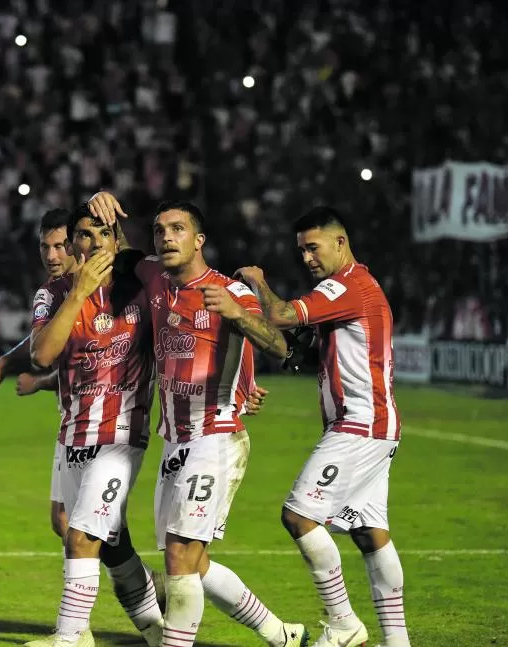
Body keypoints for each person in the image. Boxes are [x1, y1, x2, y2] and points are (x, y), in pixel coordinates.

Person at [87, 194, 309, 647]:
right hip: (175, 443)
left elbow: (282, 348)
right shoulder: (154, 277)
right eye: (160, 230)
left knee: (180, 557)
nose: (167, 237)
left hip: (217, 436)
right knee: (194, 564)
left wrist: (236, 314)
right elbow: (120, 253)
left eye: (178, 229)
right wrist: (103, 208)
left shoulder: (231, 290)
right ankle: (280, 633)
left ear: (199, 239)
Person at [235, 206, 409, 647]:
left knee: (299, 515)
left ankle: (343, 622)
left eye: (313, 248)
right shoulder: (355, 289)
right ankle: (398, 640)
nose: (308, 258)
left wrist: (258, 281)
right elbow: (302, 348)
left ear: (340, 243)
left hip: (358, 425)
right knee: (370, 533)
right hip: (374, 425)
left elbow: (280, 316)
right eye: (302, 251)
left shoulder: (346, 284)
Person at [25, 204, 165, 647]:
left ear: (116, 241)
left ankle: (69, 638)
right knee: (101, 537)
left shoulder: (139, 287)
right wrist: (79, 293)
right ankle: (158, 630)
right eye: (81, 238)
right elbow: (43, 354)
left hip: (122, 437)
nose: (92, 245)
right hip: (73, 435)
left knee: (83, 534)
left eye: (104, 235)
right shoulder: (54, 294)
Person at [0, 208, 77, 540]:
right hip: (73, 417)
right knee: (64, 521)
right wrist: (3, 364)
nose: (52, 255)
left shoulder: (98, 290)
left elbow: (93, 367)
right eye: (45, 247)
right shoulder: (50, 293)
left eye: (60, 245)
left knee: (84, 527)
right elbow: (39, 344)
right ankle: (145, 589)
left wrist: (40, 382)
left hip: (104, 422)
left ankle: (144, 590)